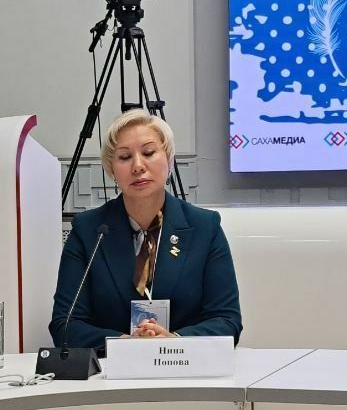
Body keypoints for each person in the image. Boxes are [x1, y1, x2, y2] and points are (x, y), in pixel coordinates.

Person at [49, 109, 242, 351]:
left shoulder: (205, 227)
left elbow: (227, 321)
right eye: (124, 157)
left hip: (185, 367)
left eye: (149, 153)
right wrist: (126, 345)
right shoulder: (89, 231)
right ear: (111, 170)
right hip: (110, 370)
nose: (138, 166)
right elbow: (65, 325)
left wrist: (173, 341)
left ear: (168, 159)